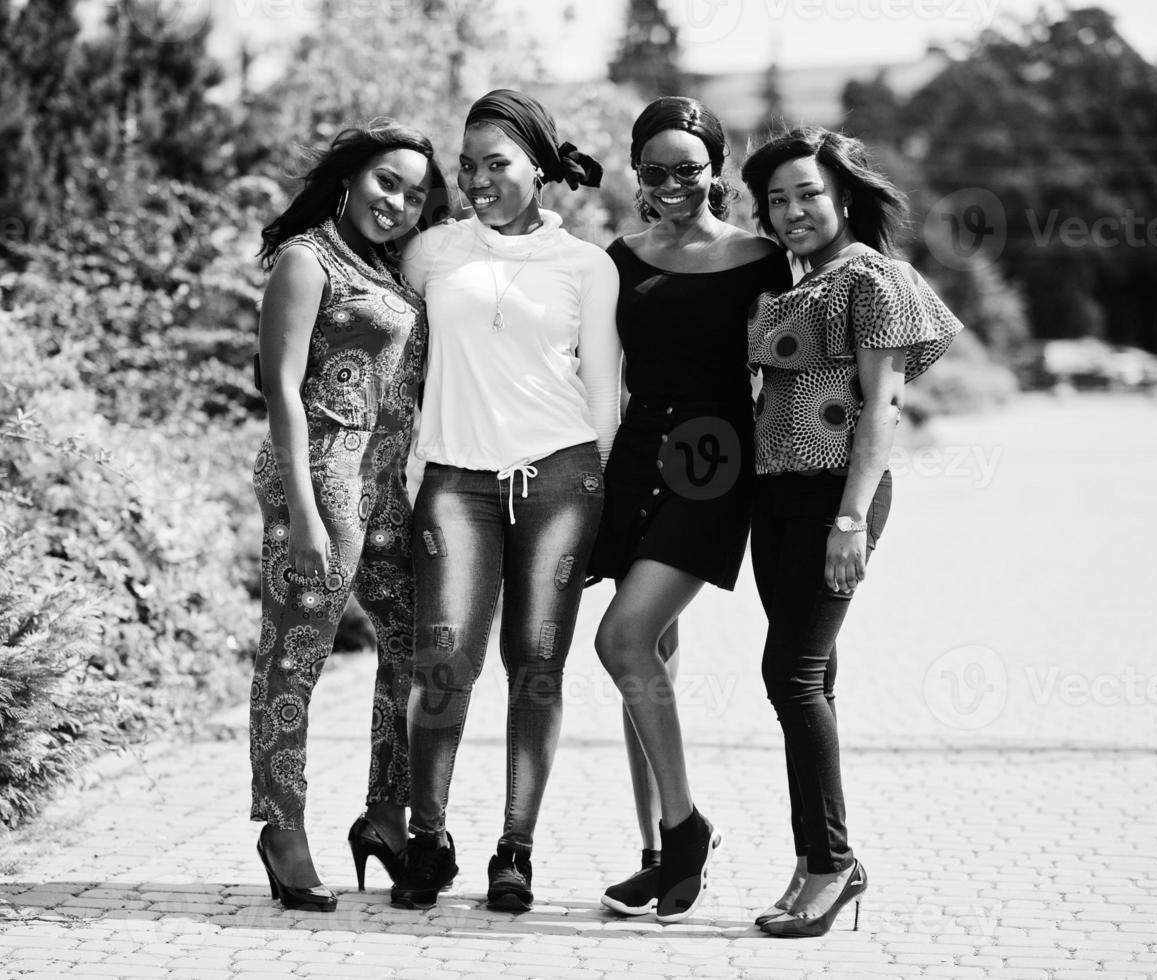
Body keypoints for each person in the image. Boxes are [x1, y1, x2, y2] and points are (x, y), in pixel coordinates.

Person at [388, 89, 620, 913]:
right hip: (454, 482)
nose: (479, 179)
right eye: (468, 165)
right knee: (443, 667)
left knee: (537, 670)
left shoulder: (587, 266)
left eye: (498, 164)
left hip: (559, 478)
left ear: (538, 166)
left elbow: (602, 385)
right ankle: (427, 840)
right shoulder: (431, 253)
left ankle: (514, 850)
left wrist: (601, 487)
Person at [739, 125, 962, 936]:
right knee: (812, 680)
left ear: (840, 196)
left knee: (789, 676)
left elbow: (881, 407)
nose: (793, 209)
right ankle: (815, 861)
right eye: (777, 198)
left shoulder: (872, 277)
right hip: (776, 500)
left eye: (807, 193)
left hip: (837, 496)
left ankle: (832, 864)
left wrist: (848, 520)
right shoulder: (790, 284)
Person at [588, 96, 791, 924]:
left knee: (622, 641)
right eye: (654, 169)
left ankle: (685, 829)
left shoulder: (760, 257)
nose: (672, 183)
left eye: (688, 167)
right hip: (634, 458)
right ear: (636, 173)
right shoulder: (619, 257)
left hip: (713, 463)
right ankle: (654, 854)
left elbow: (790, 365)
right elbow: (595, 364)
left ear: (715, 167)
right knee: (654, 662)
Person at [249, 120, 447, 912]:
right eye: (386, 181)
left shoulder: (387, 270)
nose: (398, 201)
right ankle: (281, 826)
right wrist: (301, 510)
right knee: (295, 657)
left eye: (415, 192)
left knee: (413, 646)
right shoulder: (306, 260)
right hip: (321, 477)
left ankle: (385, 813)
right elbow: (281, 392)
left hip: (386, 481)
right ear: (349, 177)